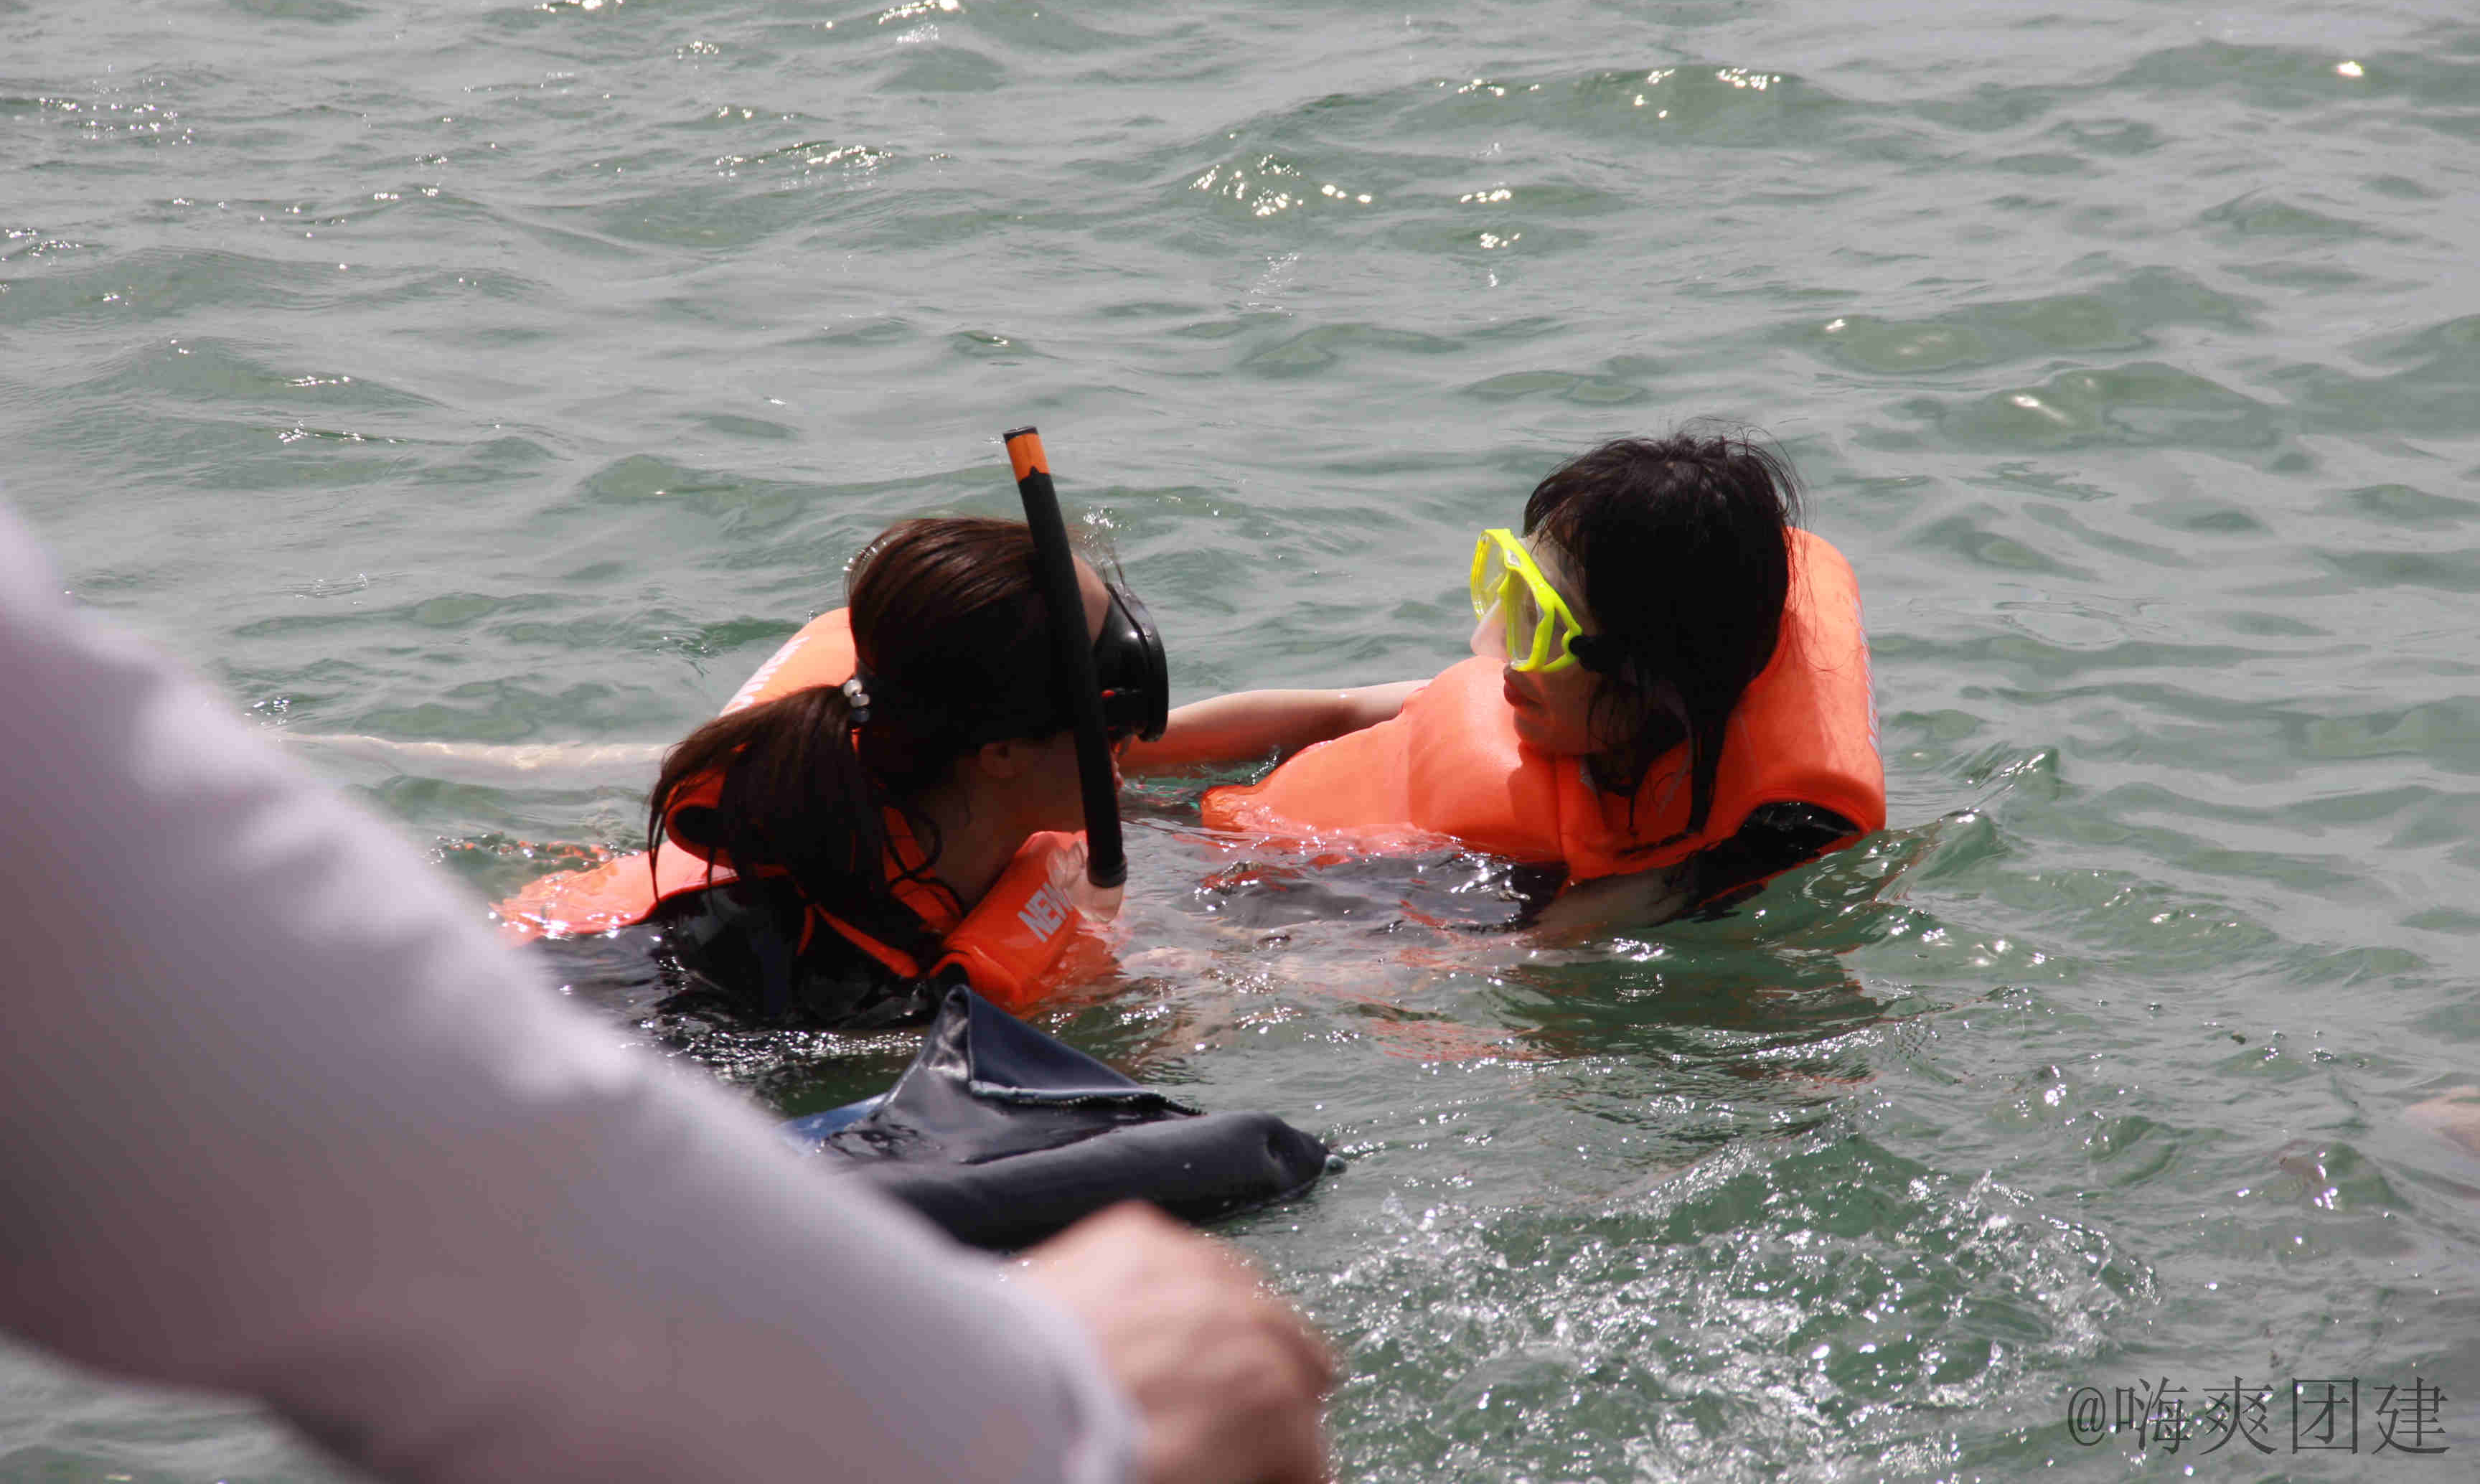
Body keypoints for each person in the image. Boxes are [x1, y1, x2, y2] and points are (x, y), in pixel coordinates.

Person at [0, 498, 1330, 1484]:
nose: (1138, 707)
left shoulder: (935, 774)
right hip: (628, 1018)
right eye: (1111, 687)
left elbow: (1164, 751)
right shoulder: (837, 976)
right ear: (1000, 752)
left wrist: (1365, 711)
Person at [1127, 431, 1884, 912]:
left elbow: (1525, 965)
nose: (1500, 650)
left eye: (1541, 626)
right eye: (1512, 593)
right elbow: (1335, 712)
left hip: (1296, 905)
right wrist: (1124, 744)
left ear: (1646, 682)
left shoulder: (1649, 873)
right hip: (1205, 831)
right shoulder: (1527, 704)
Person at [499, 515, 1166, 1025]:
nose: (1131, 735)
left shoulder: (929, 771)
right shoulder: (850, 993)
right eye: (1110, 716)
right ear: (1003, 754)